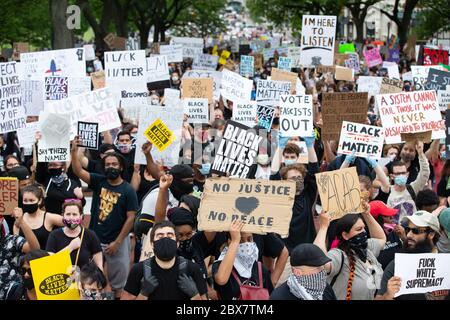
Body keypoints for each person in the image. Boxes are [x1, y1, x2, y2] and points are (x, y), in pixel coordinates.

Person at [71, 136, 139, 300]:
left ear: (121, 167)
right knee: (92, 281)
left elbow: (131, 218)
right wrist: (74, 151)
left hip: (117, 242)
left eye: (114, 164)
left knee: (118, 286)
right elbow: (78, 171)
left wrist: (117, 242)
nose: (111, 167)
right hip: (95, 240)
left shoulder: (128, 190)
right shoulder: (98, 181)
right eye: (107, 164)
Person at [314, 206, 386, 300]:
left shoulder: (367, 249)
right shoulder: (340, 256)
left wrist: (367, 214)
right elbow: (319, 260)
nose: (364, 232)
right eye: (359, 229)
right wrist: (323, 227)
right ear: (345, 235)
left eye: (364, 228)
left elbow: (381, 239)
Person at [122, 221, 207, 300]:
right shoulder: (139, 270)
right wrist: (143, 294)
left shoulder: (192, 269)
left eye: (169, 236)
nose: (165, 240)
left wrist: (194, 294)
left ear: (177, 243)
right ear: (152, 244)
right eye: (160, 236)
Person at [375, 210, 449, 300]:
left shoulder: (445, 265)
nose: (409, 235)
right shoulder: (397, 265)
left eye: (415, 231)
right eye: (408, 229)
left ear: (431, 234)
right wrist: (387, 295)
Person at [212, 220, 274, 300]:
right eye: (241, 240)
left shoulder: (259, 268)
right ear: (229, 242)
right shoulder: (220, 265)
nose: (247, 244)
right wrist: (235, 241)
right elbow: (221, 279)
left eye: (249, 239)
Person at [46, 200, 103, 269]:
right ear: (63, 216)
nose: (71, 218)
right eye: (68, 214)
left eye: (74, 214)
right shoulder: (54, 235)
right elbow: (50, 263)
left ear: (81, 216)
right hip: (61, 278)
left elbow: (99, 265)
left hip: (84, 278)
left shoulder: (90, 235)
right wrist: (70, 247)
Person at [270, 243, 336, 300]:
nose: (322, 272)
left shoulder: (325, 289)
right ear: (297, 272)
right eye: (318, 268)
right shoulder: (279, 297)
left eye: (323, 267)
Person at [0, 208, 40, 300]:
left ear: (2, 220)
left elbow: (35, 249)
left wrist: (21, 222)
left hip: (12, 295)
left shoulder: (11, 240)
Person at [386, 141, 430, 222]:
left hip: (412, 230)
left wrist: (420, 153)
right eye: (398, 173)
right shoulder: (387, 190)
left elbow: (425, 173)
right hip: (394, 230)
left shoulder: (413, 188)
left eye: (403, 173)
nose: (401, 175)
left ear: (407, 174)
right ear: (392, 176)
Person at [14, 184, 64, 249]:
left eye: (31, 200)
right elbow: (16, 226)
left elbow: (71, 223)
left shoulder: (49, 217)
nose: (28, 203)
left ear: (39, 201)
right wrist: (16, 237)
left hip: (45, 257)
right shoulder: (21, 217)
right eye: (25, 200)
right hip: (25, 258)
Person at [368, 201, 403, 269]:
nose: (392, 218)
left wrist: (404, 238)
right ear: (376, 219)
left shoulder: (393, 232)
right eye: (387, 216)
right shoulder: (368, 240)